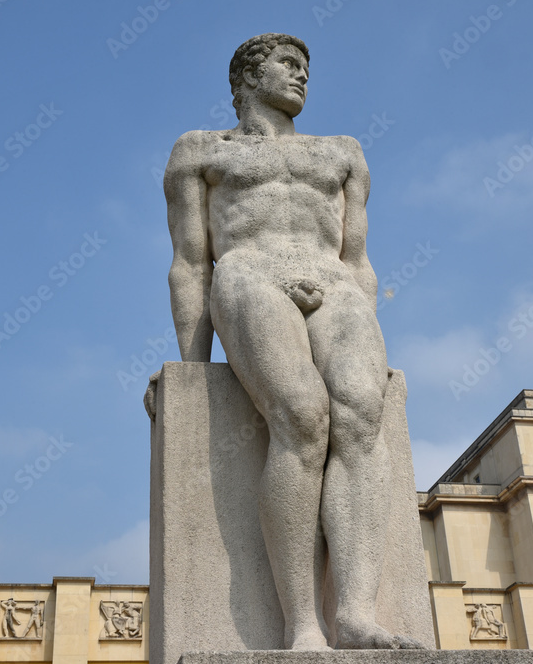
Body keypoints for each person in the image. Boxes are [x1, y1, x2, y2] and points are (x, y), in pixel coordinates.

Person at [164, 32, 419, 650]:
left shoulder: (342, 153)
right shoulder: (199, 150)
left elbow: (358, 260)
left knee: (361, 411)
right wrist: (191, 371)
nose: (302, 75)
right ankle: (302, 622)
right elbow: (191, 263)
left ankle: (355, 613)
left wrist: (373, 334)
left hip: (334, 283)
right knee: (303, 418)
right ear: (249, 77)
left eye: (306, 67)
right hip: (249, 272)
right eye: (288, 63)